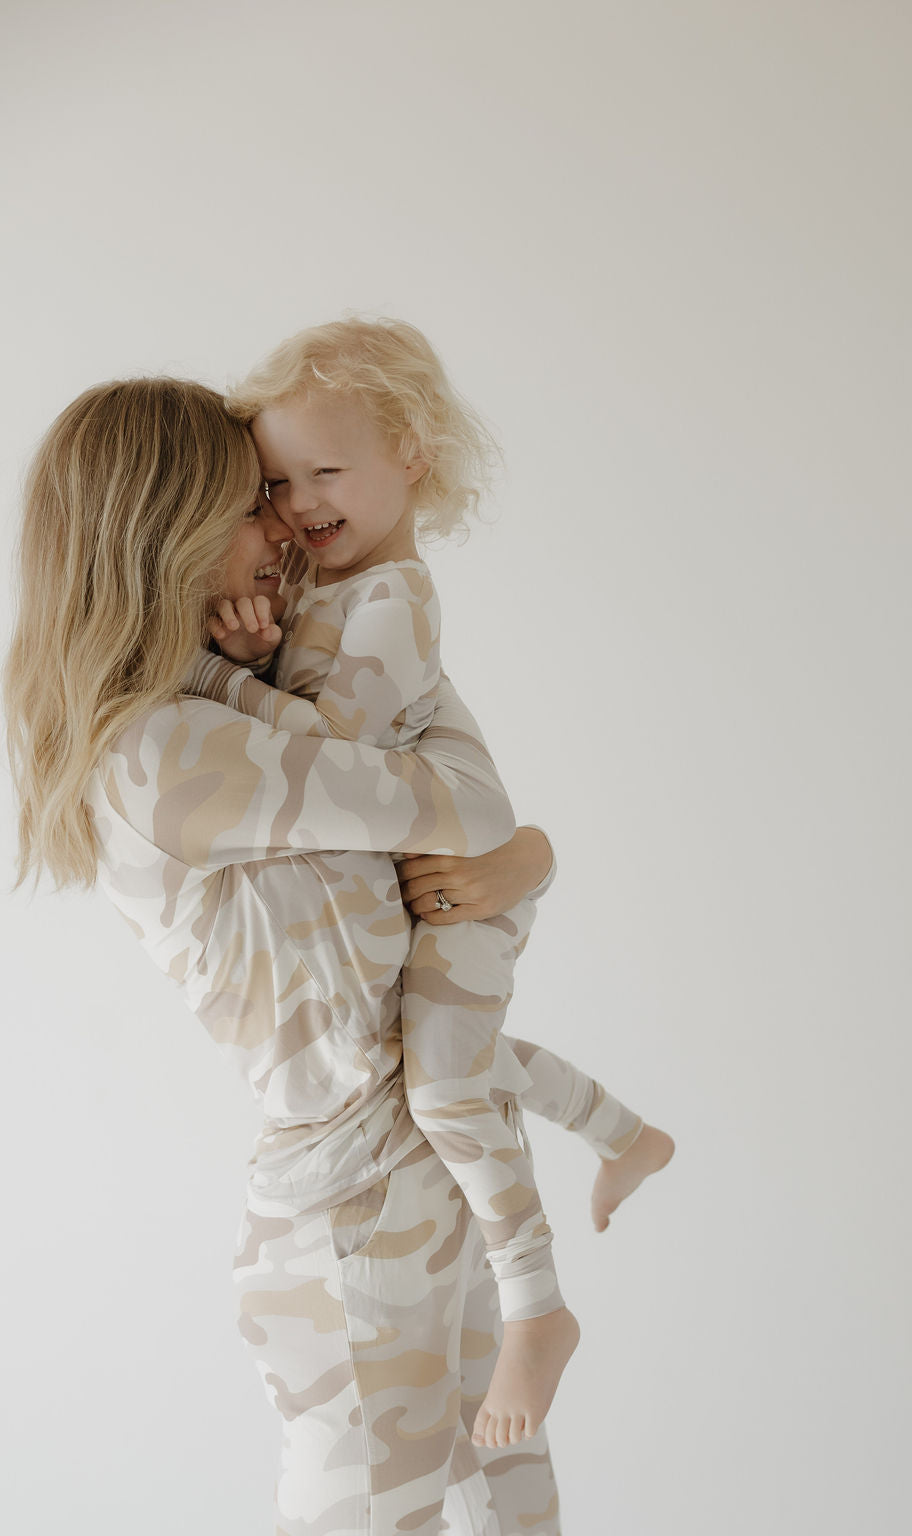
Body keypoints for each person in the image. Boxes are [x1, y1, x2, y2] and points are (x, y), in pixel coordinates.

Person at [4, 376, 669, 1535]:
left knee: (511, 1507)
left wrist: (519, 863)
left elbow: (438, 853)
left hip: (417, 1175)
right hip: (358, 1216)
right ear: (162, 530)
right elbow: (456, 808)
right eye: (248, 503)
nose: (282, 529)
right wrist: (528, 851)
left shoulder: (238, 705)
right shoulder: (164, 751)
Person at [185, 317, 674, 1450]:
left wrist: (219, 674)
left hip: (466, 884)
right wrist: (256, 646)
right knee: (443, 1067)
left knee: (446, 1091)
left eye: (327, 470)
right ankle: (624, 1135)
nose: (300, 501)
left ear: (412, 452)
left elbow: (334, 761)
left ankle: (536, 1309)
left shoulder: (391, 597)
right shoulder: (326, 583)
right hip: (462, 872)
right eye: (276, 480)